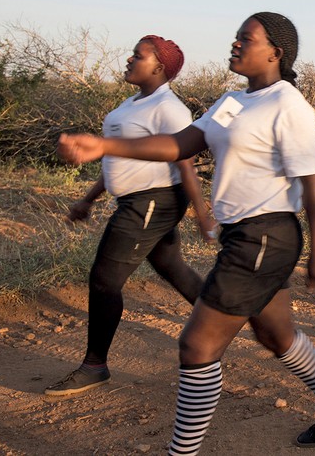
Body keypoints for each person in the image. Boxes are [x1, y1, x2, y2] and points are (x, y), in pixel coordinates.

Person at [58, 13, 315, 451]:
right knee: (275, 335)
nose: (235, 44)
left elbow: (312, 181)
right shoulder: (233, 101)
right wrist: (104, 145)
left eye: (246, 38)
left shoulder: (287, 103)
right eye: (236, 37)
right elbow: (181, 144)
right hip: (245, 236)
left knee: (197, 346)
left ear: (275, 52)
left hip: (266, 236)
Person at [45, 36, 214, 397]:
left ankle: (95, 366)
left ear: (159, 67)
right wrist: (88, 199)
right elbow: (114, 159)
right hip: (135, 200)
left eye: (138, 55)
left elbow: (185, 161)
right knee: (173, 268)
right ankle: (222, 317)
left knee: (104, 280)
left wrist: (202, 213)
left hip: (154, 200)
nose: (129, 59)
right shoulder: (130, 104)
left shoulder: (170, 109)